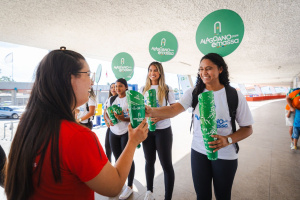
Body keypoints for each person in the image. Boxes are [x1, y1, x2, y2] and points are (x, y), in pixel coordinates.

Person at [4, 49, 148, 200]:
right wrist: (133, 141)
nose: (91, 82)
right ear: (70, 79)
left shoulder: (27, 125)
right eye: (88, 74)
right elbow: (114, 187)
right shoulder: (78, 136)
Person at [146, 53, 253, 200]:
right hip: (198, 151)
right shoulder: (194, 92)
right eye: (201, 69)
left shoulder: (234, 95)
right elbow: (173, 110)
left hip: (225, 154)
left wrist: (227, 140)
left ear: (220, 69)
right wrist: (150, 111)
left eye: (208, 68)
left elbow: (247, 128)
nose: (204, 73)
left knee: (223, 196)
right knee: (202, 196)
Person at [139, 62, 175, 200]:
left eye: (155, 70)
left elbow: (173, 110)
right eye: (150, 70)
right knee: (149, 161)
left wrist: (158, 118)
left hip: (163, 131)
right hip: (148, 131)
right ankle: (149, 192)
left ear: (160, 72)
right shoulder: (143, 88)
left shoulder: (167, 89)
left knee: (166, 164)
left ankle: (168, 197)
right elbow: (142, 109)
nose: (152, 73)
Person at [105, 78, 134, 199]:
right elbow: (106, 112)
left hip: (125, 132)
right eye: (116, 86)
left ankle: (130, 186)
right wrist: (108, 121)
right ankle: (120, 182)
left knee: (128, 159)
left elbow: (135, 117)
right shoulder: (112, 99)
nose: (117, 88)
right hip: (113, 132)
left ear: (126, 87)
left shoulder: (130, 99)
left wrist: (123, 118)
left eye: (120, 86)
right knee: (118, 159)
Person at [103, 82, 117, 162]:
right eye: (111, 87)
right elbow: (105, 112)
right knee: (107, 147)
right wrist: (106, 121)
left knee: (116, 150)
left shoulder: (119, 99)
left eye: (115, 87)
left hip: (118, 128)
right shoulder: (108, 99)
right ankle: (109, 167)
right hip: (110, 127)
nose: (113, 89)